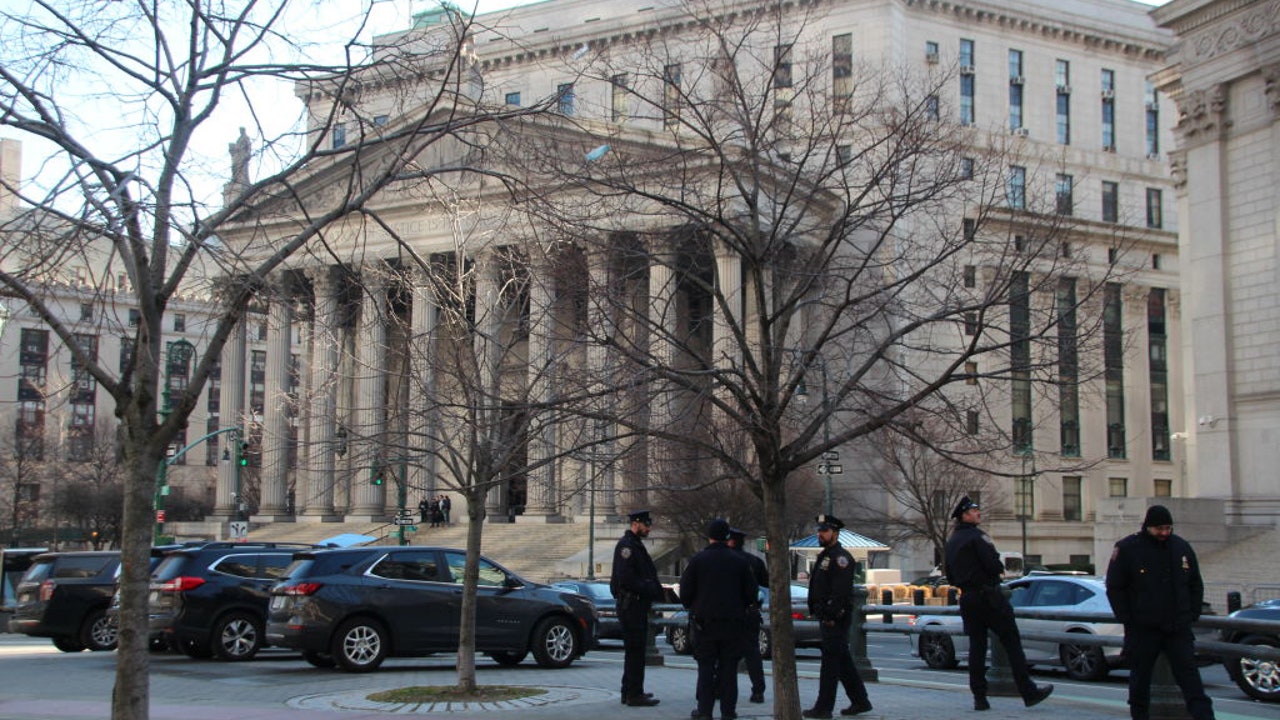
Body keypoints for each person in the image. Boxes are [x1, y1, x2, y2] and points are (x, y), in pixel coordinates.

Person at [1105, 505, 1215, 720]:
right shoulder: (1128, 548)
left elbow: (1195, 583)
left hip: (1178, 626)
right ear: (1148, 527)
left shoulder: (1181, 547)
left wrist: (1192, 613)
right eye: (1159, 529)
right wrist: (1127, 619)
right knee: (1140, 679)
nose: (1164, 533)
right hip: (1143, 628)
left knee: (1191, 679)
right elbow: (1115, 587)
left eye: (1168, 528)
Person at [944, 496, 1054, 711]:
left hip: (967, 598)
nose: (978, 513)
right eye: (974, 511)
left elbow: (950, 574)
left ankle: (979, 697)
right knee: (1012, 643)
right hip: (990, 597)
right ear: (965, 515)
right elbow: (994, 565)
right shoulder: (978, 537)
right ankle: (1028, 691)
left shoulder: (952, 541)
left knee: (977, 648)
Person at [680, 519, 758, 720]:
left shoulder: (698, 560)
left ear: (710, 537)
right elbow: (751, 594)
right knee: (729, 671)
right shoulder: (740, 562)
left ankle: (705, 711)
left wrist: (695, 606)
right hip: (732, 624)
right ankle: (728, 712)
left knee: (705, 670)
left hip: (705, 624)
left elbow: (685, 593)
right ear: (728, 537)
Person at [803, 515, 873, 719]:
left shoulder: (840, 557)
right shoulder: (827, 555)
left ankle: (823, 707)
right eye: (819, 530)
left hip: (834, 617)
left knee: (830, 665)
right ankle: (860, 701)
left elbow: (840, 592)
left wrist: (831, 614)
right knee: (842, 661)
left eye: (824, 531)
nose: (820, 534)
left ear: (835, 533)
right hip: (827, 615)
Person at [610, 509, 664, 707]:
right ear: (636, 523)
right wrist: (649, 588)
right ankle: (634, 694)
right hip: (632, 604)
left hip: (635, 604)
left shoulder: (635, 545)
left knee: (635, 650)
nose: (648, 528)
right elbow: (625, 578)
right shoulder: (627, 547)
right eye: (646, 525)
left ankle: (631, 690)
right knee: (635, 650)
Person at [728, 527, 769, 704]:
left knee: (726, 654)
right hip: (751, 612)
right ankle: (758, 690)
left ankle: (723, 689)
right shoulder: (755, 562)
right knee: (752, 653)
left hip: (729, 613)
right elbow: (765, 588)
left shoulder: (726, 561)